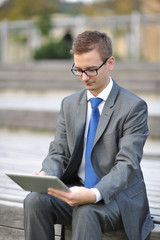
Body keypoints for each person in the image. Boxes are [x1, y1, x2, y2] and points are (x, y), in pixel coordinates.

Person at [24, 30, 154, 240]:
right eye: (79, 70)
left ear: (110, 63)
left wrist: (94, 194)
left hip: (118, 198)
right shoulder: (69, 104)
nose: (84, 77)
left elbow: (127, 164)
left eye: (91, 70)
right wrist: (47, 174)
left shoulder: (133, 107)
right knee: (34, 200)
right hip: (77, 188)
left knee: (86, 209)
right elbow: (59, 152)